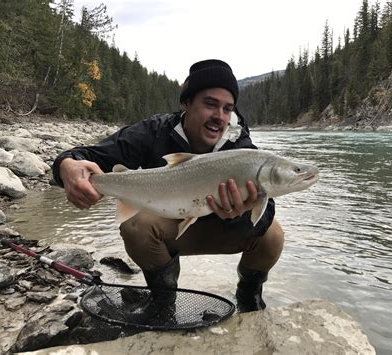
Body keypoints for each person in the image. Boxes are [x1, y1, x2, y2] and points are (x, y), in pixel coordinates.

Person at [53, 59, 285, 317]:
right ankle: (163, 303)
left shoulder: (240, 146)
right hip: (172, 229)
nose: (219, 116)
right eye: (210, 104)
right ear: (186, 103)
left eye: (227, 108)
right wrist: (66, 166)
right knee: (135, 226)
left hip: (222, 228)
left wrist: (239, 212)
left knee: (272, 235)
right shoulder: (154, 131)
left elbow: (265, 213)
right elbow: (87, 156)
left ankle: (249, 298)